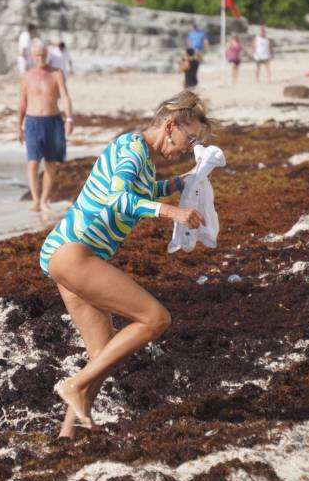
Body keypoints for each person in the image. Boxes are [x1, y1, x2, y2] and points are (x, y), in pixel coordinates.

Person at [40, 90, 212, 436]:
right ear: (169, 125)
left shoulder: (144, 159)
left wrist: (187, 180)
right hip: (75, 252)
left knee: (102, 356)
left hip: (69, 254)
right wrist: (171, 211)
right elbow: (119, 198)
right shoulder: (131, 148)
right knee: (155, 318)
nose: (186, 147)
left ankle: (68, 436)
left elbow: (145, 191)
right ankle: (72, 386)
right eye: (188, 137)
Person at [17, 41, 74, 212]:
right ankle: (35, 200)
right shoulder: (26, 76)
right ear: (31, 56)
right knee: (33, 163)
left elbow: (65, 96)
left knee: (51, 163)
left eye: (42, 54)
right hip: (33, 122)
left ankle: (44, 200)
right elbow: (22, 102)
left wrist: (69, 119)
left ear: (47, 54)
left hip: (54, 121)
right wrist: (18, 127)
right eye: (36, 55)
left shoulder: (56, 74)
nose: (39, 57)